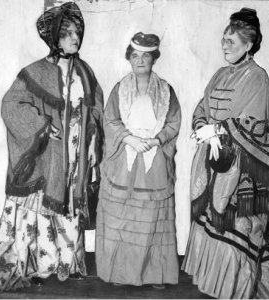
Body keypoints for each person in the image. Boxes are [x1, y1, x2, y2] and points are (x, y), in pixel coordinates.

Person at [0, 2, 103, 294]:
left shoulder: (85, 73)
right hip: (49, 153)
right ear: (54, 38)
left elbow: (95, 111)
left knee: (71, 201)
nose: (74, 39)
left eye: (77, 32)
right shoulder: (35, 71)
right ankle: (42, 265)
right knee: (44, 202)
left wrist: (92, 142)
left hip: (76, 152)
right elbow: (10, 105)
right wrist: (41, 125)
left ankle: (70, 263)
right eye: (67, 34)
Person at [182, 8, 269, 299]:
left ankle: (237, 291)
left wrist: (218, 130)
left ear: (248, 45)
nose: (224, 45)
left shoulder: (257, 77)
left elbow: (255, 123)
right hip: (215, 161)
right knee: (212, 224)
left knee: (238, 227)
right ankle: (215, 288)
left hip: (242, 169)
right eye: (223, 39)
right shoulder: (221, 73)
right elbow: (202, 107)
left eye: (231, 41)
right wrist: (202, 126)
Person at [95, 32, 181, 289]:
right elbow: (109, 120)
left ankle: (156, 275)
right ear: (129, 59)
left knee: (153, 216)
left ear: (154, 58)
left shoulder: (166, 90)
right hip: (125, 157)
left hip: (153, 159)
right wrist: (129, 139)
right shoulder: (120, 88)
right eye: (135, 56)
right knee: (122, 214)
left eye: (146, 56)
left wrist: (155, 141)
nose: (140, 60)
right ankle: (121, 273)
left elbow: (173, 123)